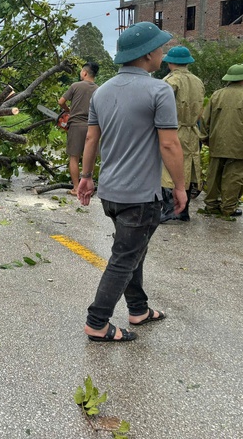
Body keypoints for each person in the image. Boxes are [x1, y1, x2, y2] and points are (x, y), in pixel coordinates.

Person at [77, 22, 186, 343]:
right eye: (161, 48)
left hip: (110, 193)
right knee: (126, 256)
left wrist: (86, 178)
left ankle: (138, 309)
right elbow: (169, 145)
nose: (163, 53)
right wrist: (180, 187)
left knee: (131, 249)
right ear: (149, 53)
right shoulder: (158, 90)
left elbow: (91, 139)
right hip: (140, 197)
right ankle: (97, 322)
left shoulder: (103, 90)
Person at [200, 64, 243, 217]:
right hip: (240, 145)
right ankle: (228, 208)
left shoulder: (216, 95)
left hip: (217, 142)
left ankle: (211, 205)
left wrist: (205, 138)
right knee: (234, 176)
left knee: (214, 175)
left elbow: (204, 119)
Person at [158, 46, 205, 222]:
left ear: (170, 62)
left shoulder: (170, 81)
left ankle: (171, 210)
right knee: (186, 169)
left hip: (173, 129)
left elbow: (161, 108)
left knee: (169, 169)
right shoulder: (197, 81)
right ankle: (184, 211)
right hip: (192, 130)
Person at [58, 62, 99, 195]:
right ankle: (87, 187)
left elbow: (61, 102)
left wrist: (68, 111)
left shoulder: (75, 86)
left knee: (74, 157)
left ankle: (76, 188)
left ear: (85, 73)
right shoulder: (99, 89)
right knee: (90, 157)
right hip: (93, 126)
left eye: (81, 71)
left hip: (75, 125)